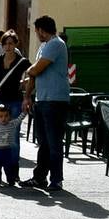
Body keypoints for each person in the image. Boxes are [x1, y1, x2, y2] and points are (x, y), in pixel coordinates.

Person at [20, 15, 71, 192]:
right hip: (42, 99)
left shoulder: (56, 44)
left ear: (42, 30)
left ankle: (56, 179)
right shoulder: (44, 46)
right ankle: (39, 177)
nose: (37, 35)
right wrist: (28, 96)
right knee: (44, 142)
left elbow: (36, 69)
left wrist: (29, 70)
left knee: (54, 141)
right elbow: (33, 74)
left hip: (55, 100)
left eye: (37, 31)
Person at [0, 29, 29, 141]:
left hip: (15, 99)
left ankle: (13, 157)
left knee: (14, 131)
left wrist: (24, 82)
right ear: (2, 45)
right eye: (5, 44)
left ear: (15, 44)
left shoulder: (21, 61)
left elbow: (33, 74)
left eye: (11, 43)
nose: (8, 46)